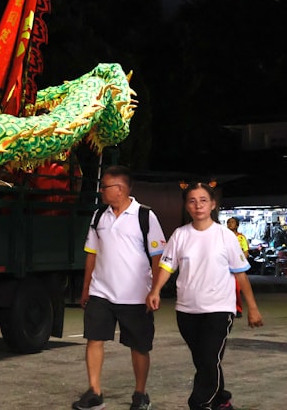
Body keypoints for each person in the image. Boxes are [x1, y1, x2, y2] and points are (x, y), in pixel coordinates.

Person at [146, 182, 263, 410]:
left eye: (203, 200)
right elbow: (167, 267)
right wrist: (155, 290)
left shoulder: (225, 236)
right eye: (192, 201)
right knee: (204, 360)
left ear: (212, 205)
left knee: (209, 359)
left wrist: (253, 308)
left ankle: (199, 404)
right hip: (187, 311)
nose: (198, 205)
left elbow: (240, 275)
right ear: (187, 206)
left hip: (219, 309)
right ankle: (222, 399)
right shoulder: (180, 235)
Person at [73, 165, 165, 410]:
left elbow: (158, 257)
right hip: (101, 292)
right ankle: (94, 391)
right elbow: (91, 255)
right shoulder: (99, 216)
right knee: (94, 340)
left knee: (139, 346)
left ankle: (140, 393)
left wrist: (154, 290)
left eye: (105, 187)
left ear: (121, 189)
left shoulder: (145, 216)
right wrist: (85, 289)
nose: (101, 191)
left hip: (136, 296)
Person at [225, 217, 249, 317]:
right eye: (228, 222)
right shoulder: (224, 237)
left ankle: (237, 309)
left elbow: (246, 252)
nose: (230, 224)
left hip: (236, 267)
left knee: (236, 289)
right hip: (225, 266)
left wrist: (241, 264)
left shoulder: (241, 238)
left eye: (232, 222)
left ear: (237, 225)